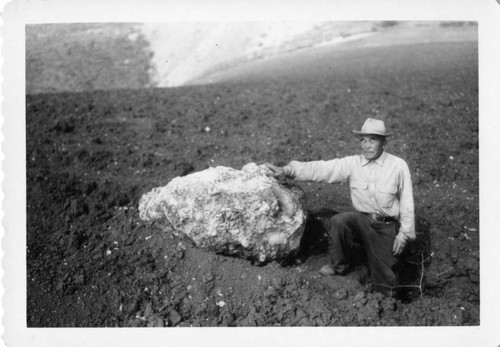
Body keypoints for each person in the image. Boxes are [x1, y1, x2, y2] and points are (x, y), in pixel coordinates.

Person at [265, 118, 415, 298]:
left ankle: (386, 298)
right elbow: (323, 169)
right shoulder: (353, 163)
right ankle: (339, 265)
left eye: (372, 140)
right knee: (340, 221)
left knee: (385, 281)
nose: (366, 145)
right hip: (363, 220)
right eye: (363, 140)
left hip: (386, 227)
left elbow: (407, 202)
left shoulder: (398, 166)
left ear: (384, 142)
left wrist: (403, 234)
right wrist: (288, 170)